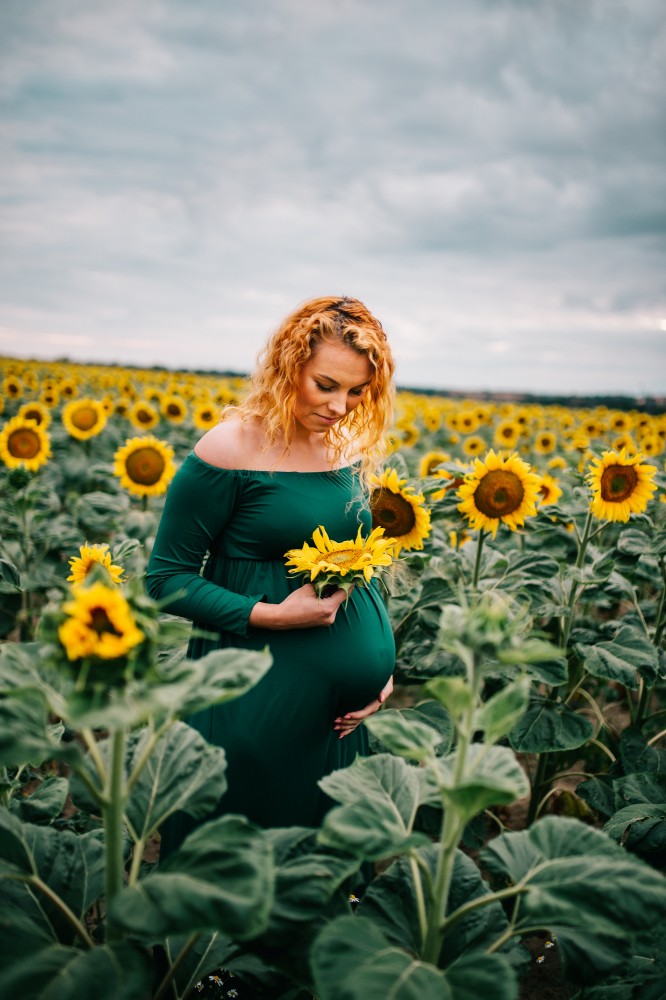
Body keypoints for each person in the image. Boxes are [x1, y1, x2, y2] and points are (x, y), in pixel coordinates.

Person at [146, 296, 396, 849]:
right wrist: (273, 616)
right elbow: (165, 581)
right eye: (326, 384)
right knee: (244, 867)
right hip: (255, 699)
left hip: (339, 723)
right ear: (289, 367)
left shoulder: (345, 446)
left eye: (357, 391)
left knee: (322, 872)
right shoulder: (229, 450)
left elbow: (359, 563)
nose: (341, 405)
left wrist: (382, 668)